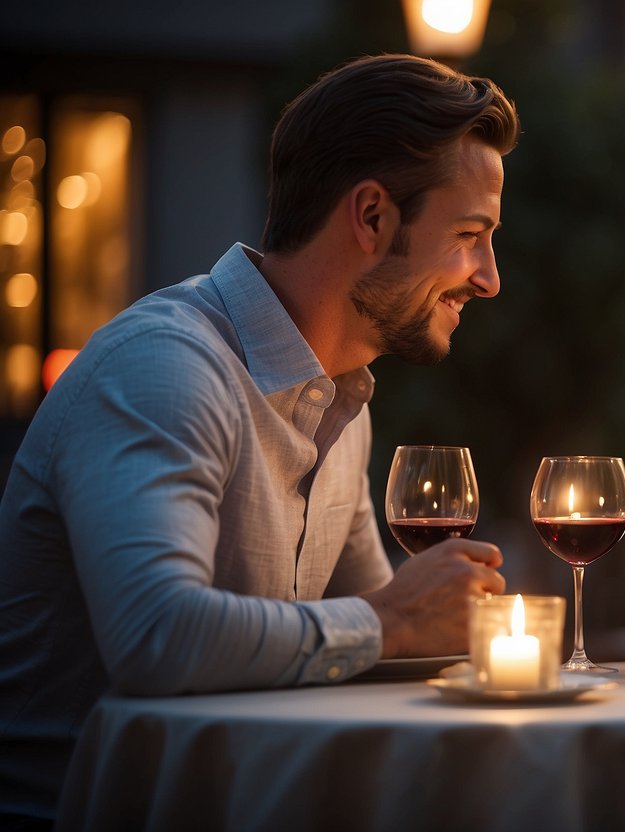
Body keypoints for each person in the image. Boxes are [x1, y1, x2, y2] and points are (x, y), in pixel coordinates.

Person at [0, 54, 518, 827]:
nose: (489, 277)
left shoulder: (344, 400)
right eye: (470, 235)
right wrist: (395, 621)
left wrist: (512, 648)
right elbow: (156, 636)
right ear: (372, 217)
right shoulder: (165, 368)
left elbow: (376, 649)